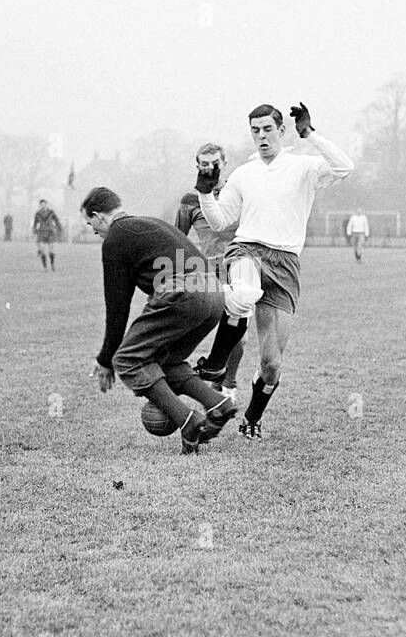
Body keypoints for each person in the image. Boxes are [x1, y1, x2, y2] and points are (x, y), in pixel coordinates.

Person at [191, 102, 354, 439]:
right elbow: (220, 220)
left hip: (285, 263)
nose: (261, 136)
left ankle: (252, 418)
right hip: (247, 250)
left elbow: (344, 167)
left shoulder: (303, 167)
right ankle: (217, 364)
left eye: (267, 129)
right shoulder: (244, 174)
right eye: (255, 130)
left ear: (281, 131)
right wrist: (205, 193)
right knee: (244, 294)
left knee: (272, 365)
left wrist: (310, 135)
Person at [83, 186, 236, 455]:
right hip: (213, 292)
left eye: (91, 224)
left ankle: (188, 421)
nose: (94, 231)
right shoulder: (149, 223)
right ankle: (218, 404)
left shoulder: (116, 238)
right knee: (166, 360)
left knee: (127, 360)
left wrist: (107, 359)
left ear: (98, 216)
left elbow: (117, 309)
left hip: (184, 291)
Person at [176, 143, 246, 402]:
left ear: (224, 164)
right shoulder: (189, 201)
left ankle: (228, 384)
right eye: (204, 164)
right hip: (208, 272)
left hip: (241, 268)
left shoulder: (238, 192)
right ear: (197, 167)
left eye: (214, 163)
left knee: (237, 330)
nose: (210, 168)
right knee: (200, 327)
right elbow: (177, 238)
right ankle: (206, 375)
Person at [32, 199, 63, 270]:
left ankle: (52, 264)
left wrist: (59, 228)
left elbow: (57, 220)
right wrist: (34, 231)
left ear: (46, 204)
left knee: (51, 249)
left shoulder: (51, 212)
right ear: (40, 205)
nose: (43, 206)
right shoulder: (38, 214)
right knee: (42, 249)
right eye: (41, 205)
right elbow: (35, 223)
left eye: (44, 204)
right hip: (41, 232)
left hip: (50, 232)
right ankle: (45, 266)